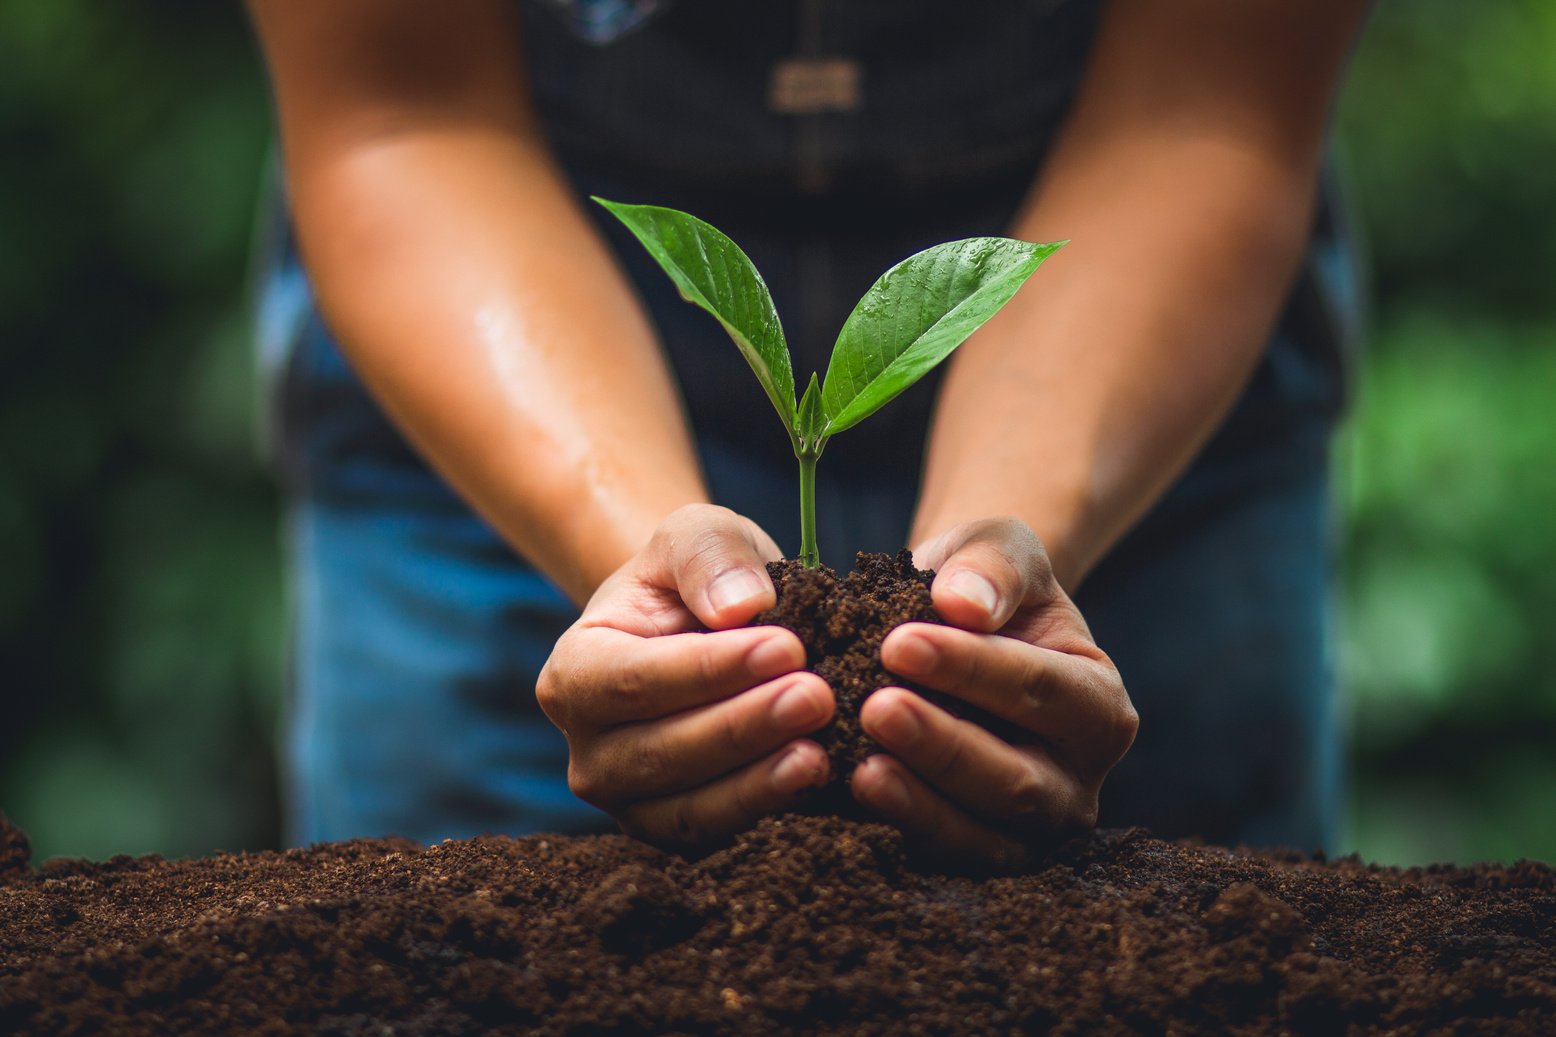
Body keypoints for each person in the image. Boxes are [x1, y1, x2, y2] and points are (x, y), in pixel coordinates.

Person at [246, 0, 1371, 866]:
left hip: (1138, 357)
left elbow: (1200, 112)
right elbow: (401, 115)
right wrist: (658, 575)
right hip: (496, 340)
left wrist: (990, 568)